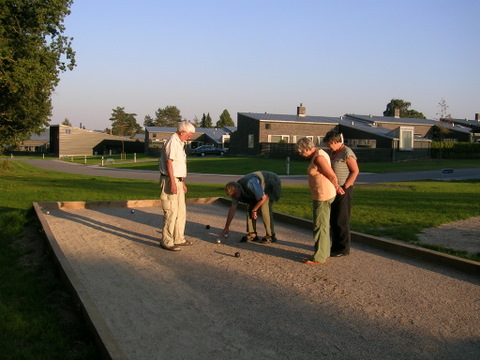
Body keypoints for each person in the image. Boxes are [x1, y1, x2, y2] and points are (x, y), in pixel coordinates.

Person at [296, 137, 345, 264]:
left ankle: (319, 257)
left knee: (320, 226)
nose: (301, 155)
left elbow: (331, 175)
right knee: (323, 225)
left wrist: (337, 187)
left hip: (323, 196)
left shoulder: (318, 158)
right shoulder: (319, 154)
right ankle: (324, 253)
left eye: (302, 152)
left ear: (308, 148)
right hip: (321, 194)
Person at [158, 121, 196, 251]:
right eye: (189, 134)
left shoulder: (180, 143)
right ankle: (167, 241)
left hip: (178, 180)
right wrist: (173, 183)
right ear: (182, 132)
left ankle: (178, 238)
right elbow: (169, 163)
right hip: (170, 180)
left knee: (181, 212)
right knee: (171, 212)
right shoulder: (172, 142)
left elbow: (178, 166)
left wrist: (182, 182)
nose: (190, 137)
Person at [324, 130, 359, 257]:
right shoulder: (333, 152)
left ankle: (343, 248)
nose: (328, 146)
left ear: (334, 142)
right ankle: (335, 246)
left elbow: (355, 171)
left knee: (341, 219)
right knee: (333, 219)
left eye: (329, 143)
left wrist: (345, 186)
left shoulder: (347, 152)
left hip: (344, 189)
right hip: (334, 189)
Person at [221, 171, 281, 243]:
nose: (234, 197)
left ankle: (270, 236)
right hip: (258, 187)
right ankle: (252, 234)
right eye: (232, 196)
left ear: (238, 190)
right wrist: (226, 227)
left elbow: (262, 198)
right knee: (250, 206)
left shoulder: (250, 184)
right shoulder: (235, 191)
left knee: (264, 207)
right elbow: (232, 209)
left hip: (271, 181)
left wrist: (254, 210)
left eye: (234, 195)